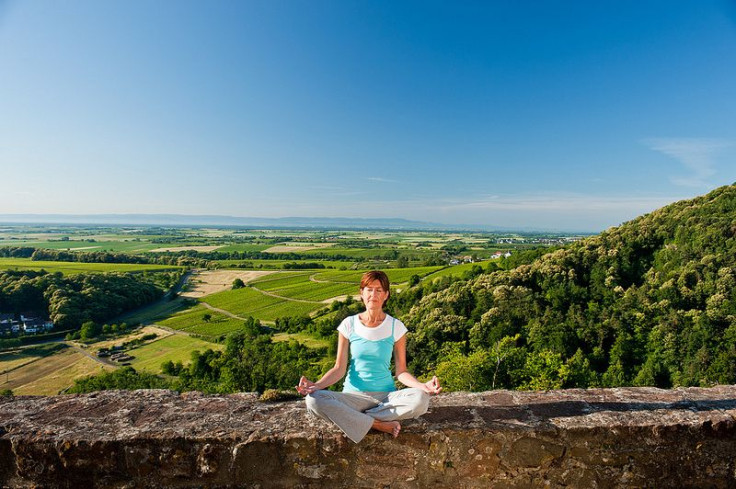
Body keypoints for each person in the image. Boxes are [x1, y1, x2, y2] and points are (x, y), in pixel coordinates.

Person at [296, 270, 442, 443]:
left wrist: (421, 385)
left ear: (386, 295)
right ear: (362, 293)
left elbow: (401, 371)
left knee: (421, 400)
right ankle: (377, 424)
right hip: (353, 397)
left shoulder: (396, 327)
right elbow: (339, 368)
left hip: (386, 398)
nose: (373, 294)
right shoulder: (348, 324)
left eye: (379, 290)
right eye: (369, 289)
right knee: (313, 401)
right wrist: (317, 385)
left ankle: (355, 419)